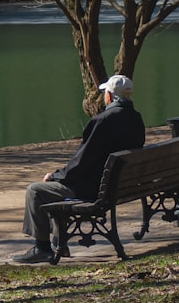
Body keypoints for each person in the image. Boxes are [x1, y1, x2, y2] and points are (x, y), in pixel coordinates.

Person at [13, 74, 146, 264]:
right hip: (118, 186)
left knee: (36, 191)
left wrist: (56, 176)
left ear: (110, 96)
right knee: (52, 191)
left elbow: (81, 162)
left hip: (94, 189)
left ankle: (42, 247)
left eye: (105, 93)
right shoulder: (136, 119)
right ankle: (59, 244)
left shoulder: (103, 121)